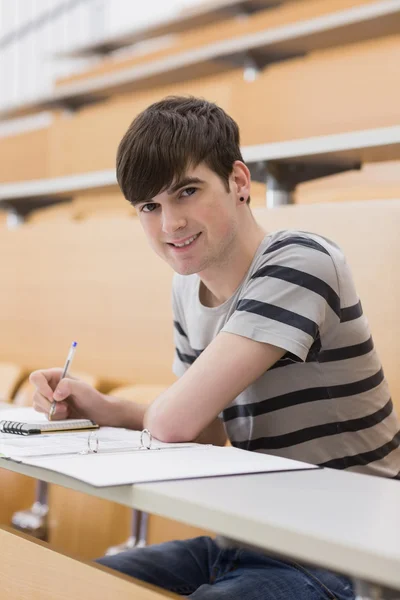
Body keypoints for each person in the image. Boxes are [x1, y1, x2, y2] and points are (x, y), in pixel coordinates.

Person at [30, 96, 399, 599]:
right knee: (70, 586)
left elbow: (172, 423)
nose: (170, 224)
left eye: (187, 191)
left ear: (240, 183)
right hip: (250, 538)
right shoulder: (188, 287)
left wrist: (134, 415)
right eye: (150, 206)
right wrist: (104, 408)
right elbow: (202, 429)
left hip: (346, 553)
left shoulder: (301, 262)